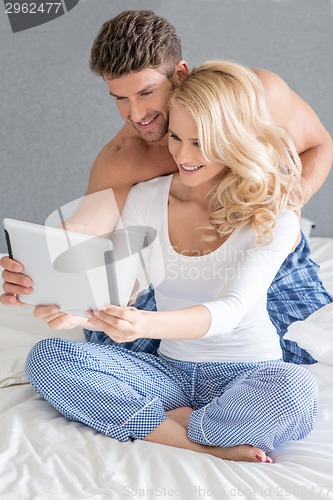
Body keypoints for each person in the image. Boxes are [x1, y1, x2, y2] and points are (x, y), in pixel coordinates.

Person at [26, 60, 319, 463]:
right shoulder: (148, 197)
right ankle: (196, 440)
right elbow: (120, 288)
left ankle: (173, 423)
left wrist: (143, 324)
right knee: (48, 358)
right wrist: (77, 315)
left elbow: (230, 312)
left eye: (199, 142)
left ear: (235, 139)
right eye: (177, 138)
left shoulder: (274, 212)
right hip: (169, 373)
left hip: (249, 374)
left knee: (296, 390)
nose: (182, 154)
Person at [1, 10, 333, 364]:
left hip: (265, 253)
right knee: (103, 337)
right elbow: (84, 236)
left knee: (299, 351)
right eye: (120, 98)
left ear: (180, 73)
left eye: (146, 92)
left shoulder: (256, 96)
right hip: (180, 276)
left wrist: (289, 202)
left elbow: (318, 145)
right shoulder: (126, 158)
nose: (137, 113)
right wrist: (35, 272)